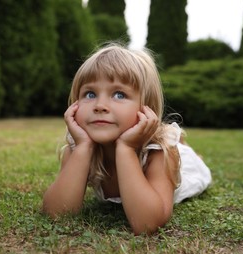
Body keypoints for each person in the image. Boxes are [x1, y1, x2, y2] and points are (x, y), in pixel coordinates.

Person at [43, 43, 211, 235]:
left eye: (119, 94)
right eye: (90, 94)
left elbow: (147, 224)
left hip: (183, 169)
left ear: (146, 107)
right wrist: (83, 148)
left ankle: (187, 150)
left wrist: (126, 149)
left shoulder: (158, 152)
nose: (100, 105)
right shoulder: (78, 146)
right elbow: (56, 213)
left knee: (191, 162)